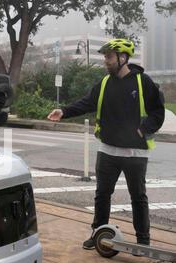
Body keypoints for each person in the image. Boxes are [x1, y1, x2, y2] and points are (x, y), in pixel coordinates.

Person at [47, 39, 165, 250]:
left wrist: (143, 129)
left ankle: (143, 240)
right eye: (105, 57)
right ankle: (98, 233)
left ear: (123, 57)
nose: (106, 61)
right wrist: (64, 111)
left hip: (134, 152)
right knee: (102, 194)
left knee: (138, 196)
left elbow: (158, 111)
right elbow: (86, 103)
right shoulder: (104, 83)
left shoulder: (142, 82)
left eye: (109, 57)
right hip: (108, 149)